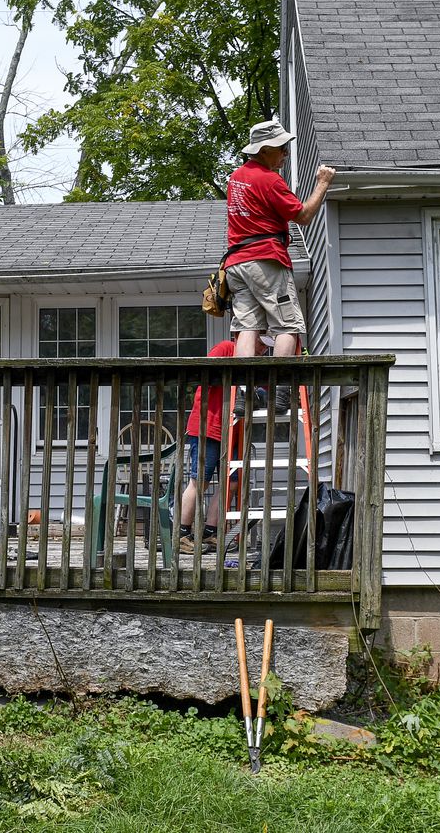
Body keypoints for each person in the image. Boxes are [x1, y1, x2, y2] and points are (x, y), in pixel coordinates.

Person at [224, 119, 334, 411]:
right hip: (266, 260)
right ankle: (281, 392)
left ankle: (244, 395)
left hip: (236, 263)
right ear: (265, 149)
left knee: (247, 327)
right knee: (288, 324)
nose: (286, 153)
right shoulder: (269, 179)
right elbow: (303, 215)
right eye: (282, 148)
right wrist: (323, 182)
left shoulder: (235, 178)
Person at [178, 339, 237, 554]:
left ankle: (209, 533)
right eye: (259, 340)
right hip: (207, 425)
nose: (262, 348)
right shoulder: (225, 348)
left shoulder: (260, 358)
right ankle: (182, 535)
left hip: (232, 430)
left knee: (232, 482)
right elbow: (204, 373)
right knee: (199, 481)